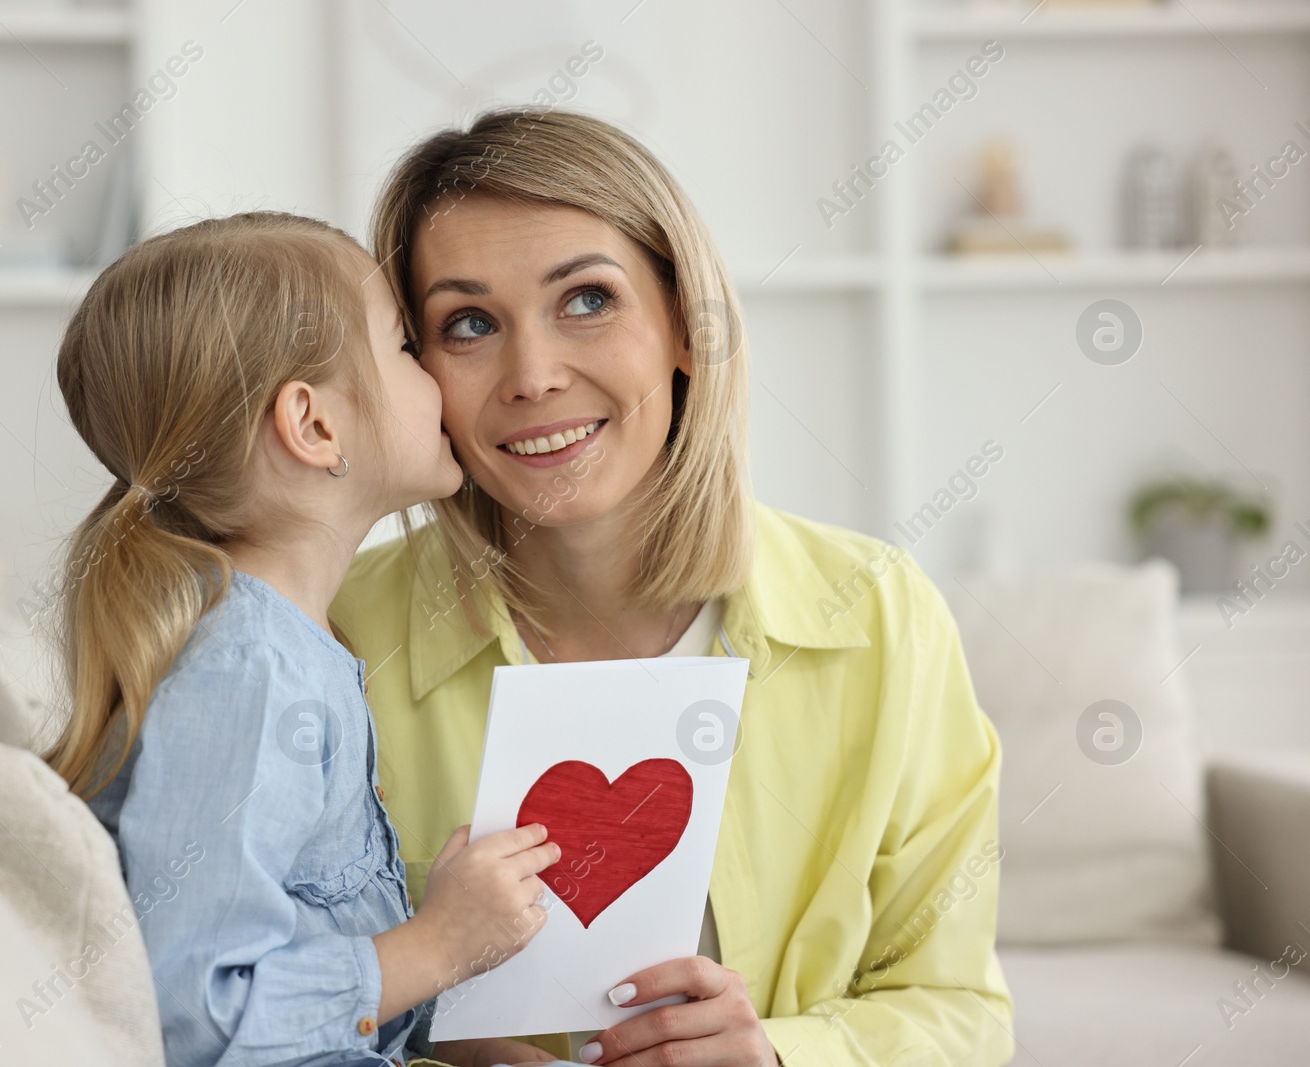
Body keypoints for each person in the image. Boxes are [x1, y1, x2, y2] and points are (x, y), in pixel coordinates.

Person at [330, 108, 1015, 1067]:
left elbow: (959, 1012)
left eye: (586, 301)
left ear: (687, 329)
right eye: (470, 323)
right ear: (418, 372)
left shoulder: (880, 615)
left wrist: (777, 1056)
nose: (533, 375)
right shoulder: (336, 634)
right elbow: (250, 1008)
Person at [45, 211, 562, 1067]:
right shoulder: (250, 671)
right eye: (403, 347)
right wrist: (438, 941)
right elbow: (195, 1013)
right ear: (314, 425)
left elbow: (326, 976)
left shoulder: (292, 643)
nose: (436, 369)